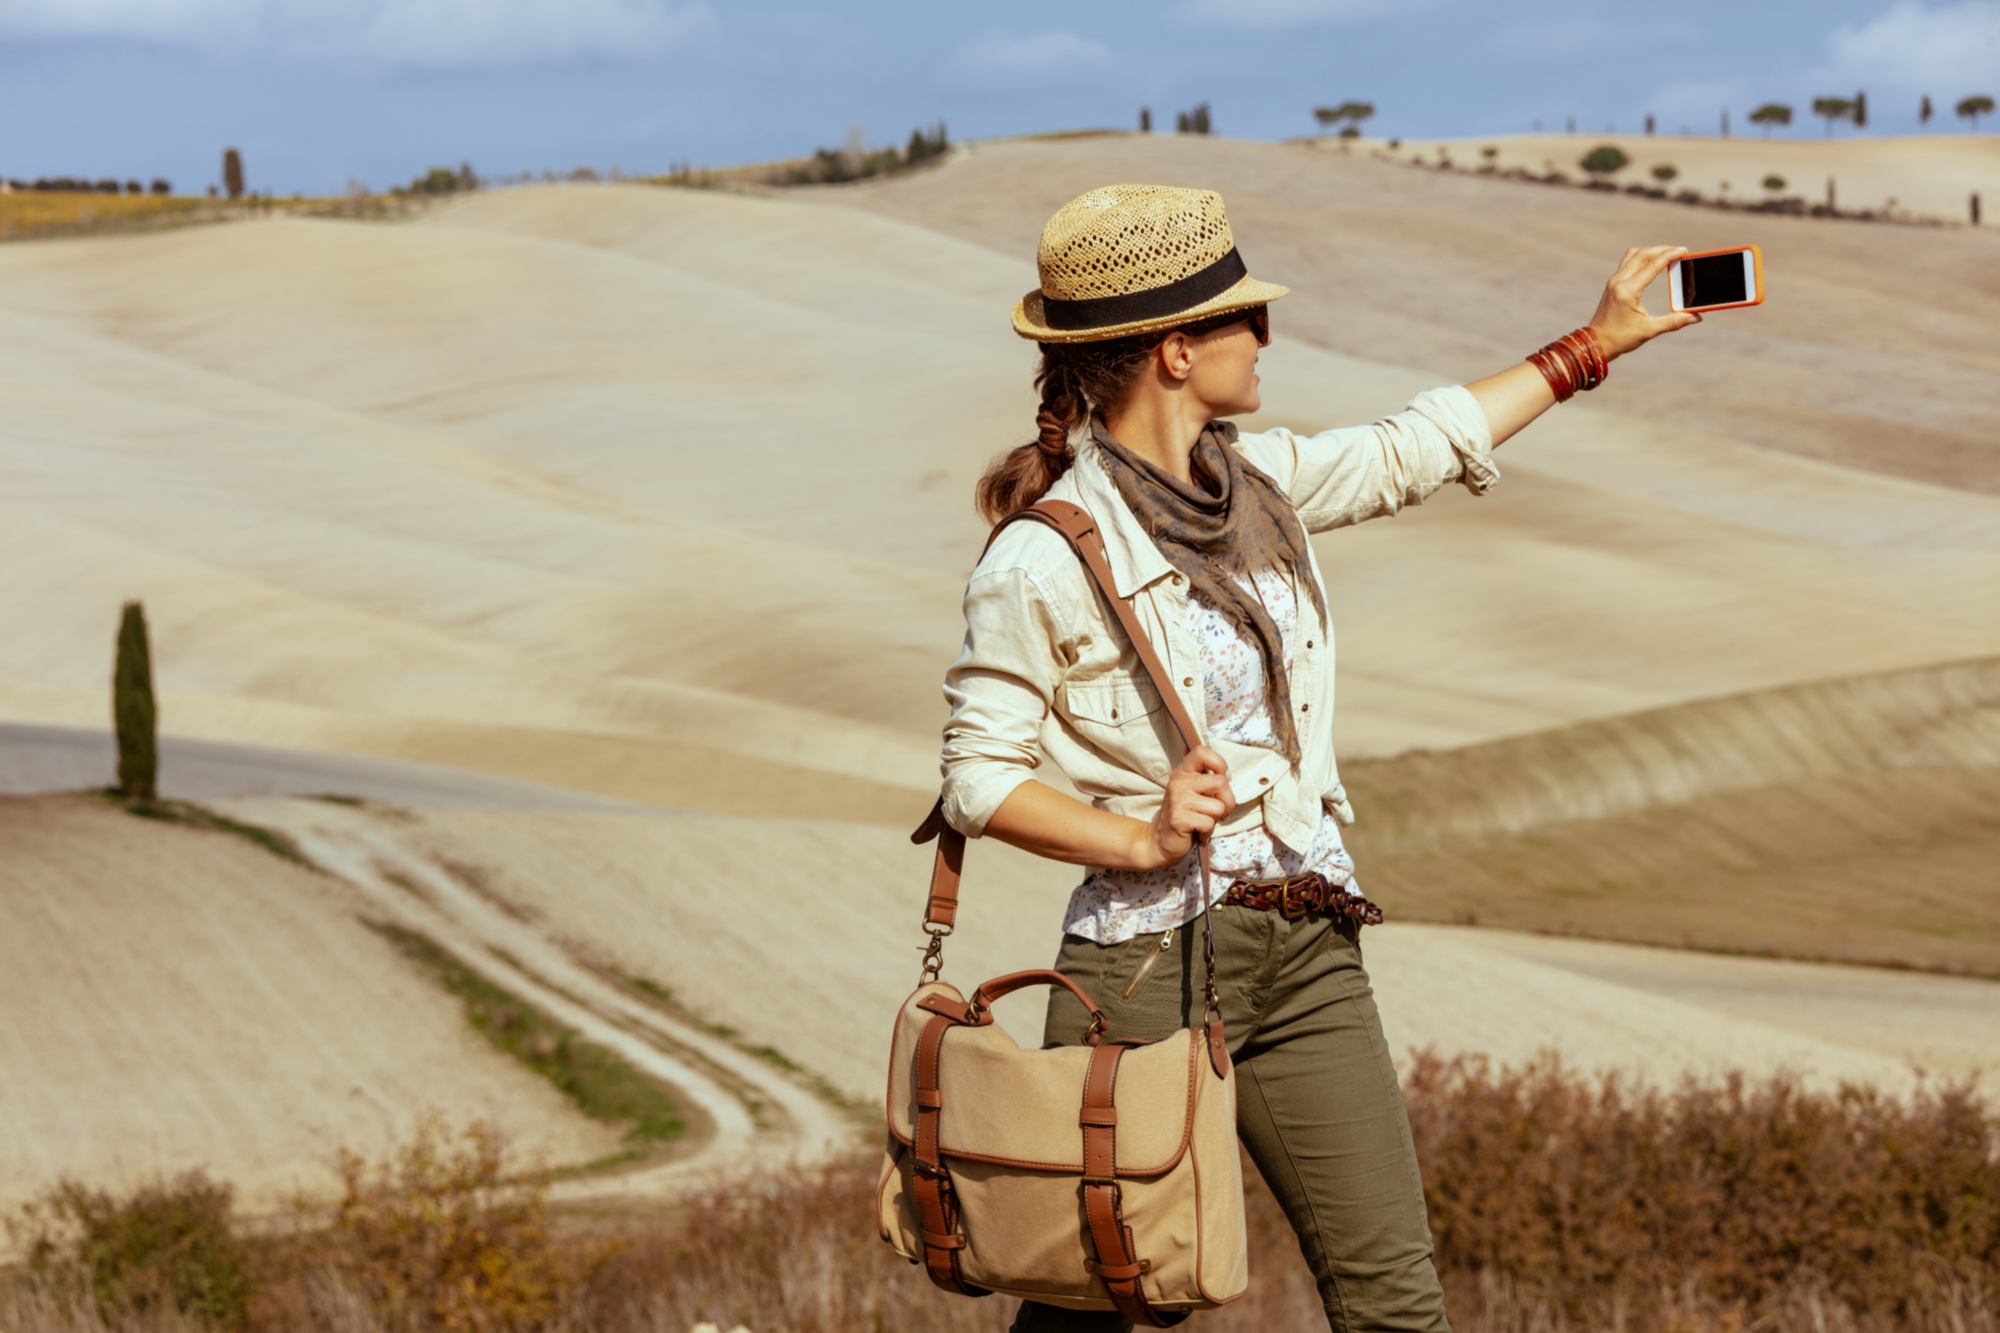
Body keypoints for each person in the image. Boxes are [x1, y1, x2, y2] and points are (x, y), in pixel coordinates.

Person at [936, 184, 1695, 1332]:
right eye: (1245, 317)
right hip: (1143, 967)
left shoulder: (1262, 485)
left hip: (1306, 937)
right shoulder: (1044, 555)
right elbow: (978, 780)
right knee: (1104, 1304)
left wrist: (1591, 344)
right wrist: (1138, 833)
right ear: (1176, 351)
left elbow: (1415, 447)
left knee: (1395, 1303)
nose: (1268, 336)